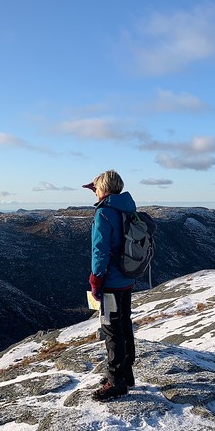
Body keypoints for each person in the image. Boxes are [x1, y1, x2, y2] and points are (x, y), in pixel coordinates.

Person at [83, 170, 136, 401]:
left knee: (111, 329)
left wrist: (96, 279)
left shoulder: (104, 212)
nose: (94, 192)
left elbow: (100, 250)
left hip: (111, 281)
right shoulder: (127, 208)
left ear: (103, 188)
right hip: (127, 277)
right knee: (124, 324)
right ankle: (126, 373)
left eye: (95, 188)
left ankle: (115, 381)